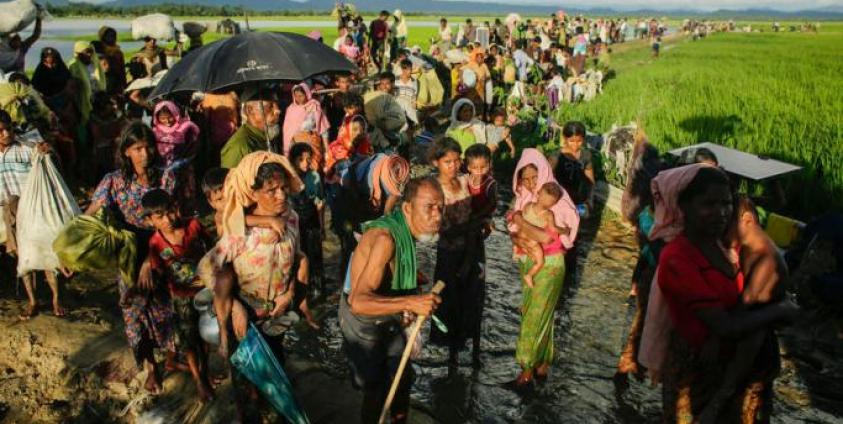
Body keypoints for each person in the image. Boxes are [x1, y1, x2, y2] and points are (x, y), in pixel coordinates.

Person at [655, 166, 798, 423]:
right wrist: (781, 310)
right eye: (708, 204)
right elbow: (725, 326)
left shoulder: (722, 247)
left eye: (726, 203)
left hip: (730, 366)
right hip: (696, 370)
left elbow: (745, 309)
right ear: (684, 206)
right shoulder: (678, 258)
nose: (721, 212)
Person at [203, 152, 312, 420]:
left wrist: (289, 293)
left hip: (276, 311)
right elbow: (207, 268)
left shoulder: (292, 218)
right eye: (271, 190)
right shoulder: (240, 231)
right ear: (253, 194)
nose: (281, 196)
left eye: (284, 188)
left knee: (275, 364)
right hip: (246, 317)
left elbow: (296, 253)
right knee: (247, 379)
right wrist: (236, 306)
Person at [85, 122, 181, 394]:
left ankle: (174, 357)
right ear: (126, 151)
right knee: (134, 311)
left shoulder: (166, 178)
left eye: (148, 147)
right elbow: (91, 213)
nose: (145, 154)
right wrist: (74, 252)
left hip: (161, 250)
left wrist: (151, 261)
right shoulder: (114, 181)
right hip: (128, 255)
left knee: (167, 307)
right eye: (137, 148)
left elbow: (173, 220)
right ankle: (150, 366)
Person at [340, 176, 443, 424]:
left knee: (401, 379)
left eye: (441, 207)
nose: (438, 216)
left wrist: (409, 287)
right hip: (363, 317)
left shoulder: (404, 230)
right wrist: (409, 302)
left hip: (386, 309)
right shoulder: (386, 239)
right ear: (407, 208)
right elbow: (359, 301)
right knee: (375, 390)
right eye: (429, 207)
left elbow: (391, 268)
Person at [507, 148, 579, 387]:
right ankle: (543, 364)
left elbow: (546, 237)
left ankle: (526, 368)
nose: (530, 184)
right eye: (524, 178)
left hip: (550, 264)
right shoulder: (524, 199)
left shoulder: (558, 202)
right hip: (531, 261)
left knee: (534, 315)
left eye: (534, 177)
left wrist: (518, 220)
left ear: (545, 173)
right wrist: (517, 232)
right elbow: (514, 235)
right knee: (537, 312)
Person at [142, 189, 214, 402]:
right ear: (150, 221)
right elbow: (160, 272)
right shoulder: (155, 243)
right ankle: (199, 379)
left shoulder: (193, 225)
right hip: (181, 297)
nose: (168, 219)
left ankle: (205, 370)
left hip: (205, 291)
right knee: (189, 339)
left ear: (176, 207)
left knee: (207, 336)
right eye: (160, 216)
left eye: (170, 211)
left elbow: (213, 248)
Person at [427, 138, 486, 369]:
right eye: (447, 161)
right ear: (436, 163)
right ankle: (452, 356)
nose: (453, 165)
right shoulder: (434, 190)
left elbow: (483, 203)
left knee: (474, 299)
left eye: (456, 160)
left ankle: (474, 354)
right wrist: (472, 225)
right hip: (449, 255)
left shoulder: (465, 182)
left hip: (473, 249)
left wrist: (483, 221)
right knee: (450, 303)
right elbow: (440, 229)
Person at [0, 110, 63, 319]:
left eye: (8, 128)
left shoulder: (26, 146)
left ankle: (56, 299)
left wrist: (48, 152)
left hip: (34, 206)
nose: (6, 134)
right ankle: (33, 301)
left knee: (45, 252)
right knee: (23, 258)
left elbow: (45, 157)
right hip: (10, 209)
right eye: (0, 131)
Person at [289, 143, 327, 300]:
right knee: (298, 259)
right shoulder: (288, 178)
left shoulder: (315, 177)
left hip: (312, 223)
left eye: (308, 159)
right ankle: (301, 294)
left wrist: (322, 227)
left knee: (315, 257)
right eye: (300, 159)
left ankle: (318, 290)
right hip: (296, 225)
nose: (305, 163)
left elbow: (320, 204)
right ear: (293, 160)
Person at [514, 182, 567, 288]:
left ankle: (517, 251)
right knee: (540, 262)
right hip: (532, 242)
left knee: (521, 242)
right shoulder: (548, 214)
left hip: (520, 236)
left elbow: (522, 218)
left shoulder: (528, 205)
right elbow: (553, 228)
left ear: (538, 193)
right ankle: (529, 275)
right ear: (553, 204)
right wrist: (565, 230)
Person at [220, 90, 281, 169]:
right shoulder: (239, 146)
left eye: (277, 105)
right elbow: (230, 180)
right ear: (250, 110)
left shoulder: (268, 137)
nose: (278, 111)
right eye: (270, 106)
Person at [549, 121, 594, 214]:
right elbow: (548, 177)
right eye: (571, 141)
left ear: (584, 139)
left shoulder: (586, 155)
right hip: (559, 195)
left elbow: (590, 180)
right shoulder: (556, 156)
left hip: (577, 197)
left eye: (579, 141)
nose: (575, 145)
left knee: (584, 214)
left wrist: (589, 200)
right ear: (565, 139)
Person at [282, 83, 330, 170]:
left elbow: (323, 129)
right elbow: (287, 132)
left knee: (314, 168)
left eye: (301, 95)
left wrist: (327, 149)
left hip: (313, 142)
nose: (298, 98)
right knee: (300, 168)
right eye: (296, 96)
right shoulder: (290, 109)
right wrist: (290, 147)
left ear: (307, 94)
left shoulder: (314, 106)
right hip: (297, 145)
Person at [152, 101, 199, 166]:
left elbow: (192, 145)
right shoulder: (155, 131)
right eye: (163, 119)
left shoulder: (185, 126)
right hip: (162, 165)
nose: (167, 121)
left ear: (176, 114)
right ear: (157, 119)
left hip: (182, 162)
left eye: (170, 117)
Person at [97, 26, 127, 95]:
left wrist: (124, 85)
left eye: (114, 36)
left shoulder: (118, 52)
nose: (112, 38)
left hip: (116, 82)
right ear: (103, 37)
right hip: (102, 82)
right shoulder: (98, 50)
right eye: (109, 36)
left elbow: (122, 70)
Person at [200, 167, 228, 238]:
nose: (227, 202)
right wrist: (260, 220)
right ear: (211, 203)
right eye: (220, 199)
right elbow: (240, 219)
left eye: (230, 195)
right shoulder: (220, 216)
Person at [394, 59, 419, 127]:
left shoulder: (414, 82)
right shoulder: (395, 81)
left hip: (409, 112)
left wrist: (414, 112)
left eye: (411, 69)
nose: (410, 71)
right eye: (409, 69)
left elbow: (414, 98)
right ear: (403, 70)